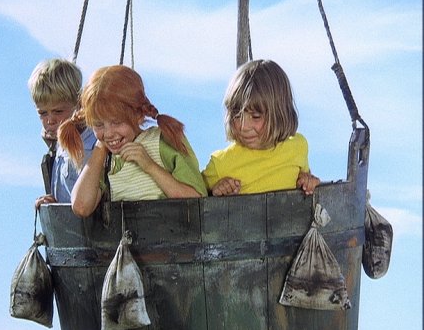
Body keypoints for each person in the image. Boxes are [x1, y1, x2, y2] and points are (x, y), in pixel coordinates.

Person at [58, 64, 207, 218]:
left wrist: (150, 166)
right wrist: (100, 148)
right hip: (125, 233)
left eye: (116, 122)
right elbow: (81, 207)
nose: (108, 133)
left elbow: (196, 201)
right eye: (99, 125)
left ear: (139, 115)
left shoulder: (164, 140)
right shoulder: (107, 159)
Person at [202, 59, 320, 197]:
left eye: (256, 116)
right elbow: (193, 196)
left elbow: (305, 180)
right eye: (237, 115)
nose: (244, 127)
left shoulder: (298, 146)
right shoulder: (220, 164)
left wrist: (308, 181)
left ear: (279, 113)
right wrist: (214, 191)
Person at [28, 58, 96, 208]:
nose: (50, 120)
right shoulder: (59, 143)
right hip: (65, 221)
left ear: (79, 104)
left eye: (58, 111)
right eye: (42, 113)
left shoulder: (93, 143)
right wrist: (54, 205)